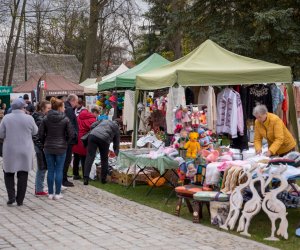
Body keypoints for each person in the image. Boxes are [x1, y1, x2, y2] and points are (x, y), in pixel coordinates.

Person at [0, 98, 38, 206]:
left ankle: (11, 196)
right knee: (23, 174)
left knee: (8, 173)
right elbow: (35, 131)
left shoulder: (6, 118)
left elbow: (1, 134)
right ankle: (20, 199)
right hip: (25, 149)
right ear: (23, 107)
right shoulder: (29, 118)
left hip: (10, 149)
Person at [38, 97, 74, 200]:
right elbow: (71, 134)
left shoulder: (45, 118)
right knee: (59, 170)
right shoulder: (65, 119)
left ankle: (50, 193)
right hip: (61, 148)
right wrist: (65, 142)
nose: (64, 109)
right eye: (63, 106)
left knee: (51, 170)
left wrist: (45, 142)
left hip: (48, 147)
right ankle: (57, 193)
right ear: (59, 107)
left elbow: (40, 134)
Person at [84, 119, 120, 185]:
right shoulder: (116, 128)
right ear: (118, 125)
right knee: (104, 159)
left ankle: (86, 178)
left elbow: (92, 125)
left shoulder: (104, 120)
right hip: (105, 139)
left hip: (93, 136)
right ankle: (103, 179)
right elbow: (116, 143)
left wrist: (96, 131)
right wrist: (116, 153)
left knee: (90, 156)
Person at [72, 106, 100, 180]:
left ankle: (75, 174)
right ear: (95, 113)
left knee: (76, 157)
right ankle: (85, 175)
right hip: (84, 139)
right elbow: (94, 130)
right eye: (97, 114)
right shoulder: (93, 119)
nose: (97, 116)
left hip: (77, 138)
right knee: (84, 158)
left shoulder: (79, 116)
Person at [32, 100, 51, 196]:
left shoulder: (40, 117)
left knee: (42, 166)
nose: (50, 110)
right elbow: (37, 135)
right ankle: (39, 189)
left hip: (40, 145)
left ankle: (39, 188)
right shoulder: (39, 118)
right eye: (48, 108)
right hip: (40, 146)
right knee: (42, 167)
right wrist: (41, 146)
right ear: (43, 108)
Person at [63, 94, 79, 187]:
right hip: (68, 139)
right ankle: (64, 179)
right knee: (67, 159)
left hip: (66, 138)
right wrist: (73, 135)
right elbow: (70, 124)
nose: (76, 104)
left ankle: (64, 177)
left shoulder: (66, 107)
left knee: (66, 159)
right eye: (76, 102)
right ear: (73, 100)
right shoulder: (68, 109)